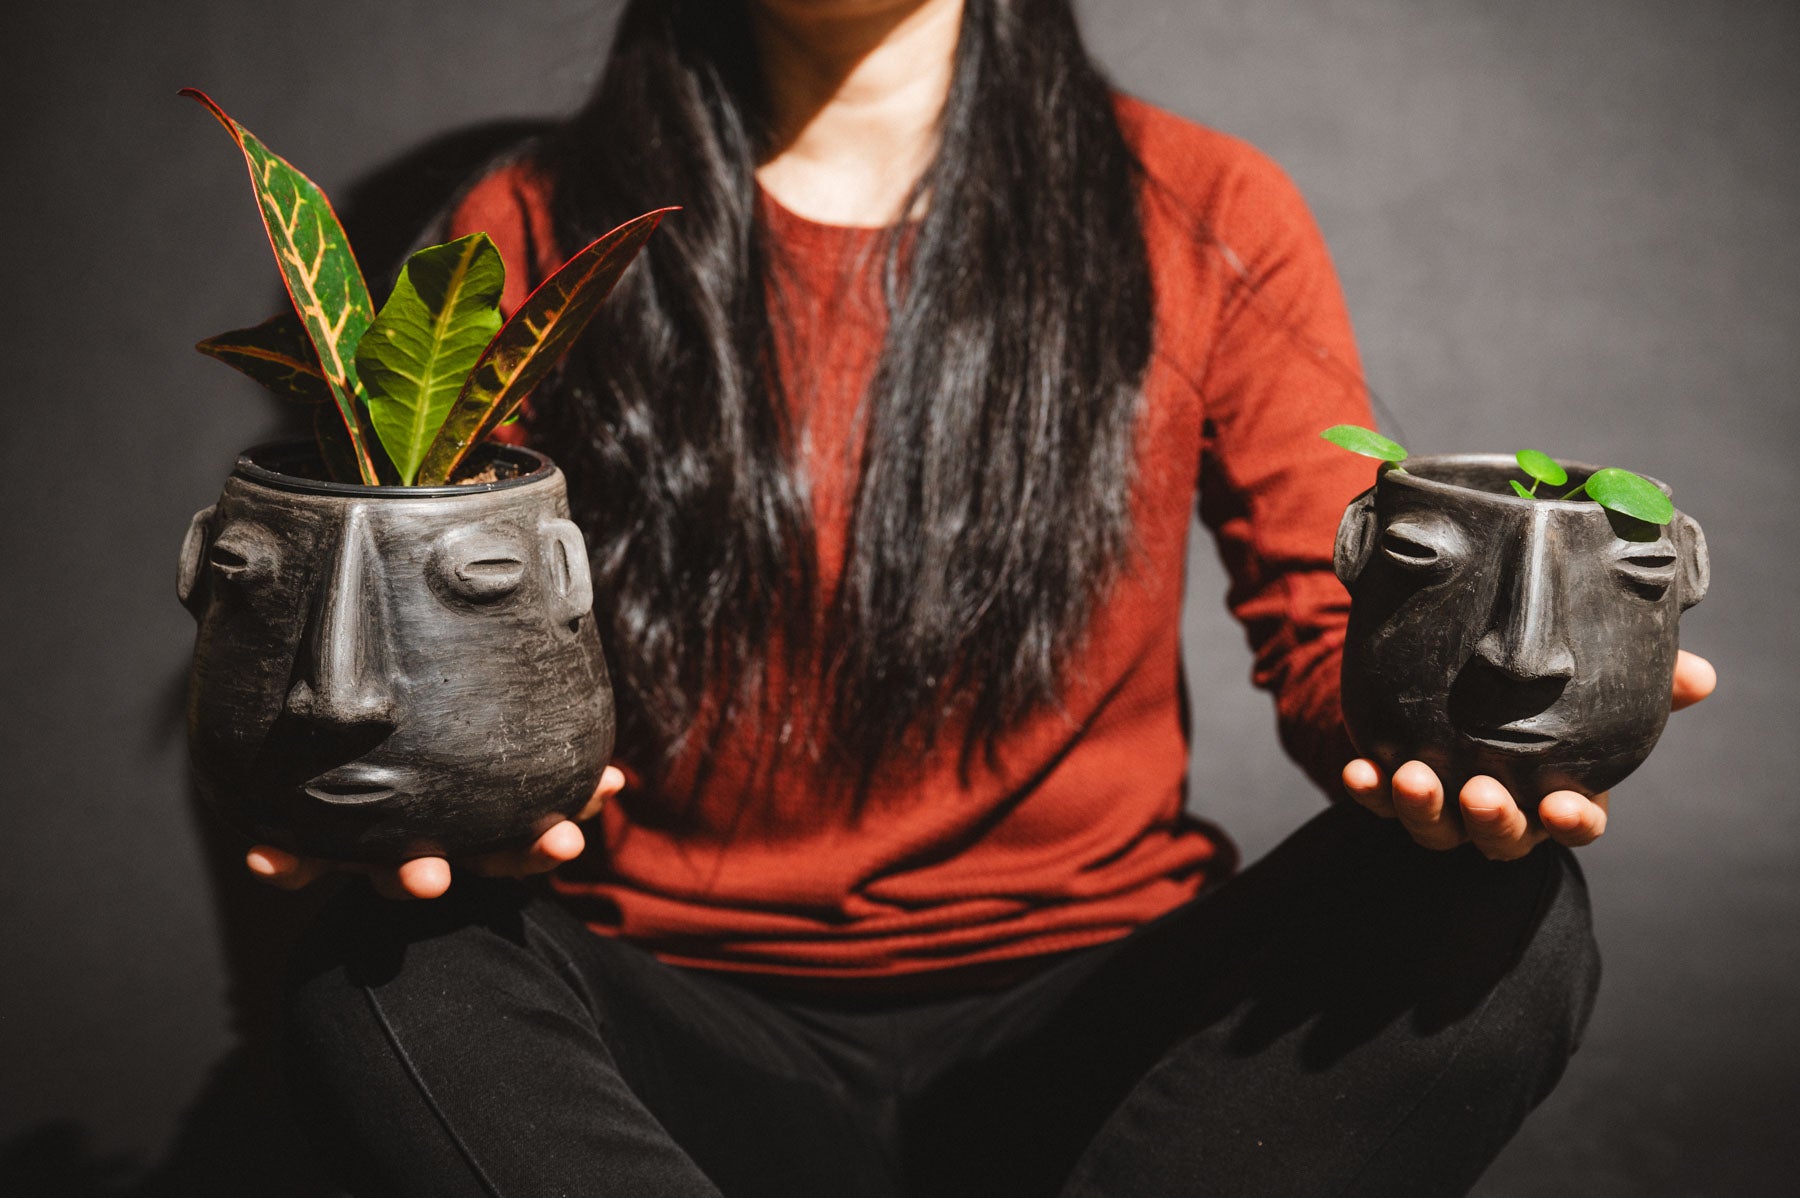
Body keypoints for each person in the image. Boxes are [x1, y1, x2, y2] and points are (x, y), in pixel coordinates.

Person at [254, 1, 1717, 1194]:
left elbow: (1328, 618)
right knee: (379, 955)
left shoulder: (1207, 208)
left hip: (1100, 1049)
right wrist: (412, 792)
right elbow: (447, 618)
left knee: (1498, 913)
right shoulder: (535, 227)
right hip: (670, 1043)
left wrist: (1472, 725)